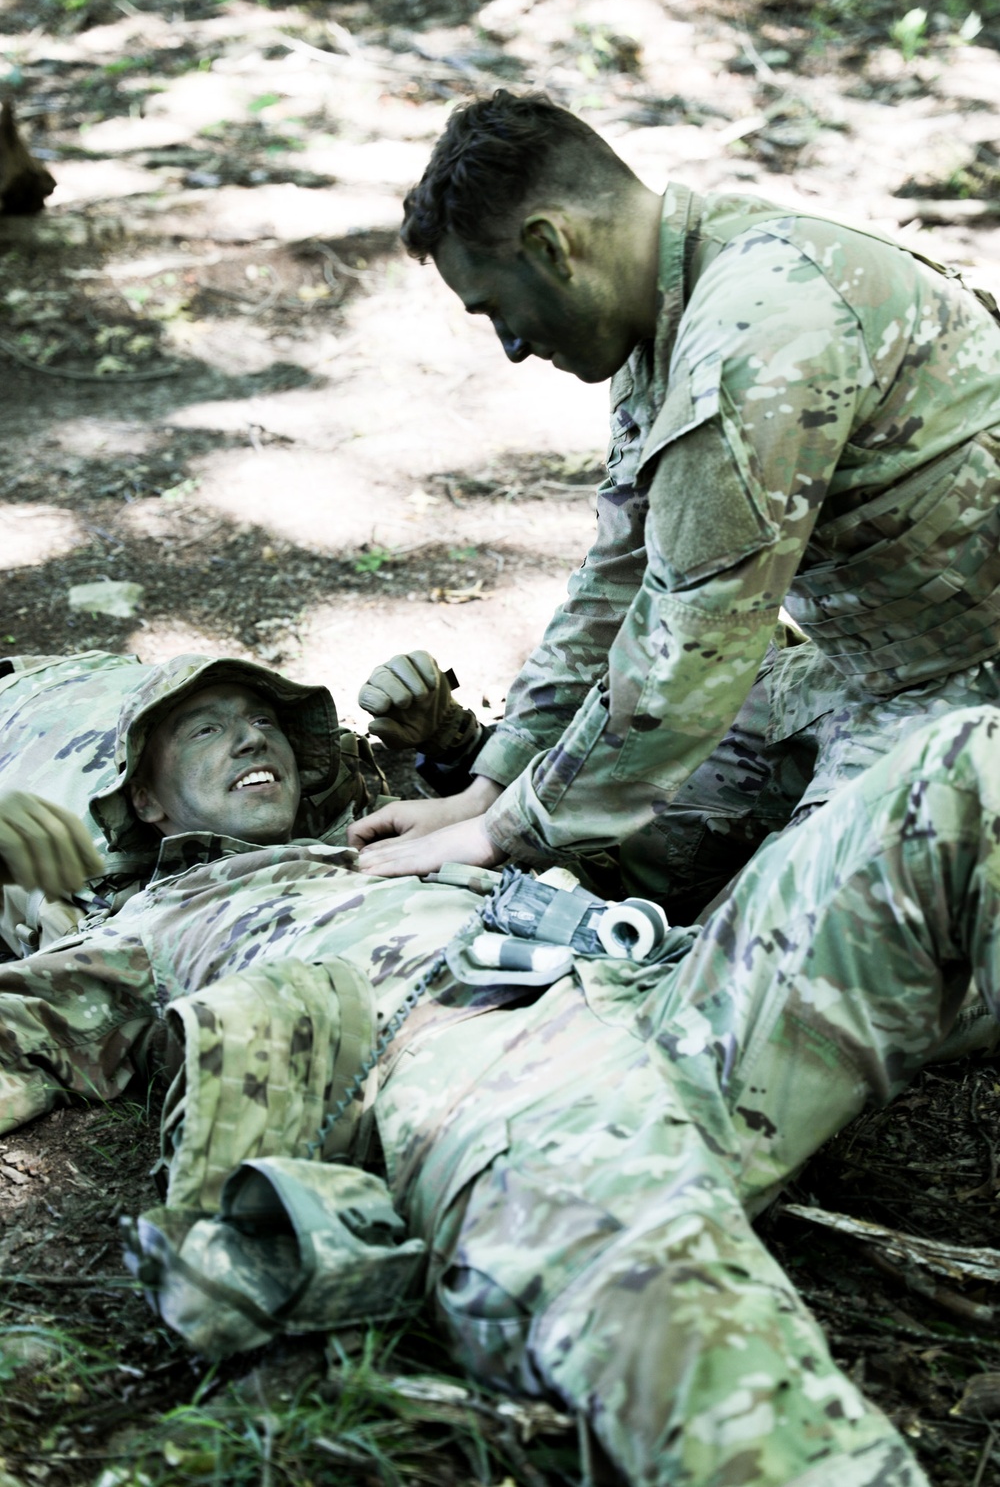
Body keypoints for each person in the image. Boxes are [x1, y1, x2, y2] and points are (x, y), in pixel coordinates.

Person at [3, 649, 1000, 1485]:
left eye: (261, 720)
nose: (250, 736)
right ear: (140, 790)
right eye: (206, 730)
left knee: (964, 767)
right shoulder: (150, 925)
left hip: (674, 1000)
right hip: (492, 1083)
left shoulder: (388, 837)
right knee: (730, 1381)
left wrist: (451, 753)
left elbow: (592, 815)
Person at [348, 90, 1000, 915]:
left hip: (968, 689)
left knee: (793, 958)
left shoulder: (757, 326)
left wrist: (505, 831)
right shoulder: (666, 308)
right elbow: (620, 573)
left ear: (552, 246)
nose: (510, 346)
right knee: (631, 841)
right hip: (875, 665)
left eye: (497, 308)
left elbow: (695, 643)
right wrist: (492, 786)